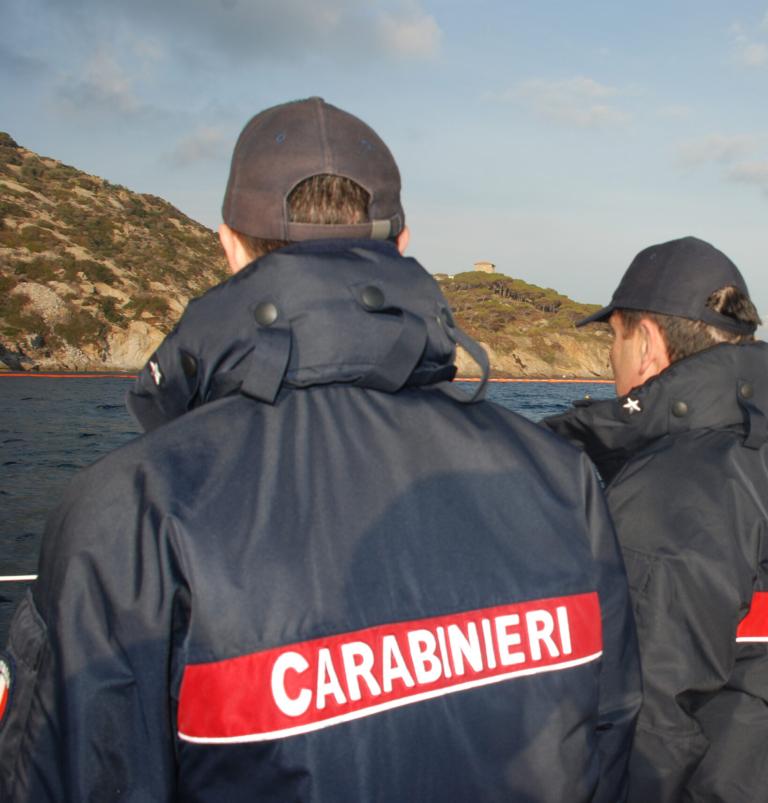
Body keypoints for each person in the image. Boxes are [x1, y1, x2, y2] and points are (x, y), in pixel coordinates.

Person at [0, 97, 640, 801]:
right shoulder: (562, 476)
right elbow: (609, 733)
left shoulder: (132, 511)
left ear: (230, 246)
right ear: (401, 244)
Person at [545, 236, 768, 802]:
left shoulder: (668, 492)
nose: (610, 360)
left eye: (614, 339)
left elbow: (646, 731)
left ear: (646, 343)